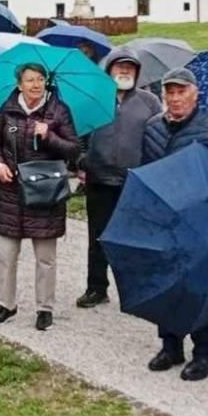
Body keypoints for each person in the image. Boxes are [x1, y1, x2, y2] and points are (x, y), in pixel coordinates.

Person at [140, 67, 208, 381]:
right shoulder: (152, 128)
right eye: (170, 92)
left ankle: (204, 354)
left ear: (195, 94)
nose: (175, 97)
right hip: (164, 219)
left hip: (200, 222)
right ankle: (171, 346)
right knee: (165, 286)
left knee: (199, 288)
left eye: (181, 91)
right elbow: (146, 170)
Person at [0, 62, 81, 332]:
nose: (36, 85)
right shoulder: (6, 109)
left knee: (45, 257)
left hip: (44, 191)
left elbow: (74, 149)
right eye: (30, 80)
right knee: (6, 255)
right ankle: (6, 304)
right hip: (10, 192)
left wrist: (49, 135)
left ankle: (44, 308)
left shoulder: (58, 110)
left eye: (40, 79)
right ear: (19, 84)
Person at [76, 46, 161, 308]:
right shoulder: (93, 99)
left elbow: (159, 140)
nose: (124, 70)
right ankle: (96, 287)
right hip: (99, 181)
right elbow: (76, 138)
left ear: (137, 72)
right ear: (109, 69)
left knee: (134, 239)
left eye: (130, 67)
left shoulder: (150, 102)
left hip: (135, 184)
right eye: (119, 66)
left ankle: (136, 289)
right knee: (98, 238)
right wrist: (82, 161)